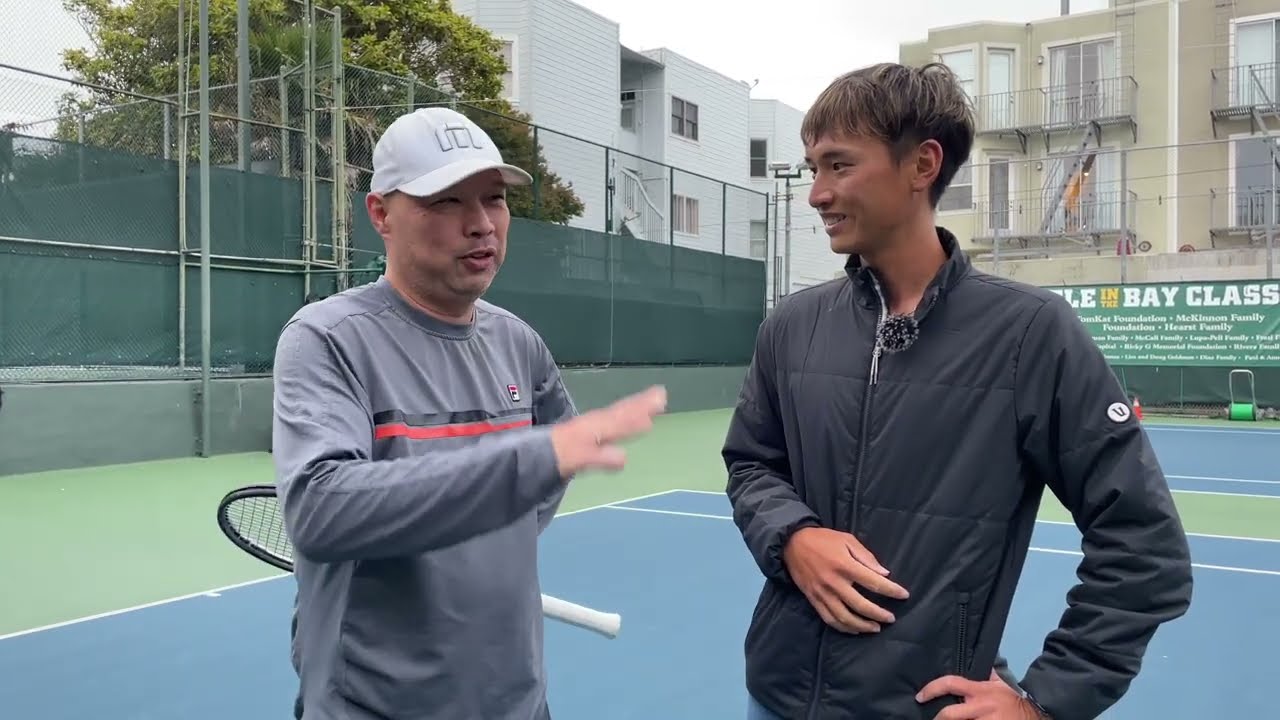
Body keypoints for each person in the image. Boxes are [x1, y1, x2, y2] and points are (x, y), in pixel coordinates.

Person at [722, 62, 1193, 720]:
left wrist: (1048, 699)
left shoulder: (1031, 333)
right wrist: (793, 537)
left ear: (922, 165)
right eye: (812, 169)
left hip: (924, 706)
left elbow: (1144, 544)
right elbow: (751, 464)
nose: (817, 194)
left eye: (839, 166)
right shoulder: (791, 327)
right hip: (775, 696)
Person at [271, 106, 667, 720]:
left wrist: (480, 538)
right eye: (446, 203)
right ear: (381, 214)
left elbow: (545, 476)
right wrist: (519, 465)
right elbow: (322, 510)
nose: (481, 225)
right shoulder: (327, 338)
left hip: (517, 702)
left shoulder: (519, 342)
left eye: (493, 200)